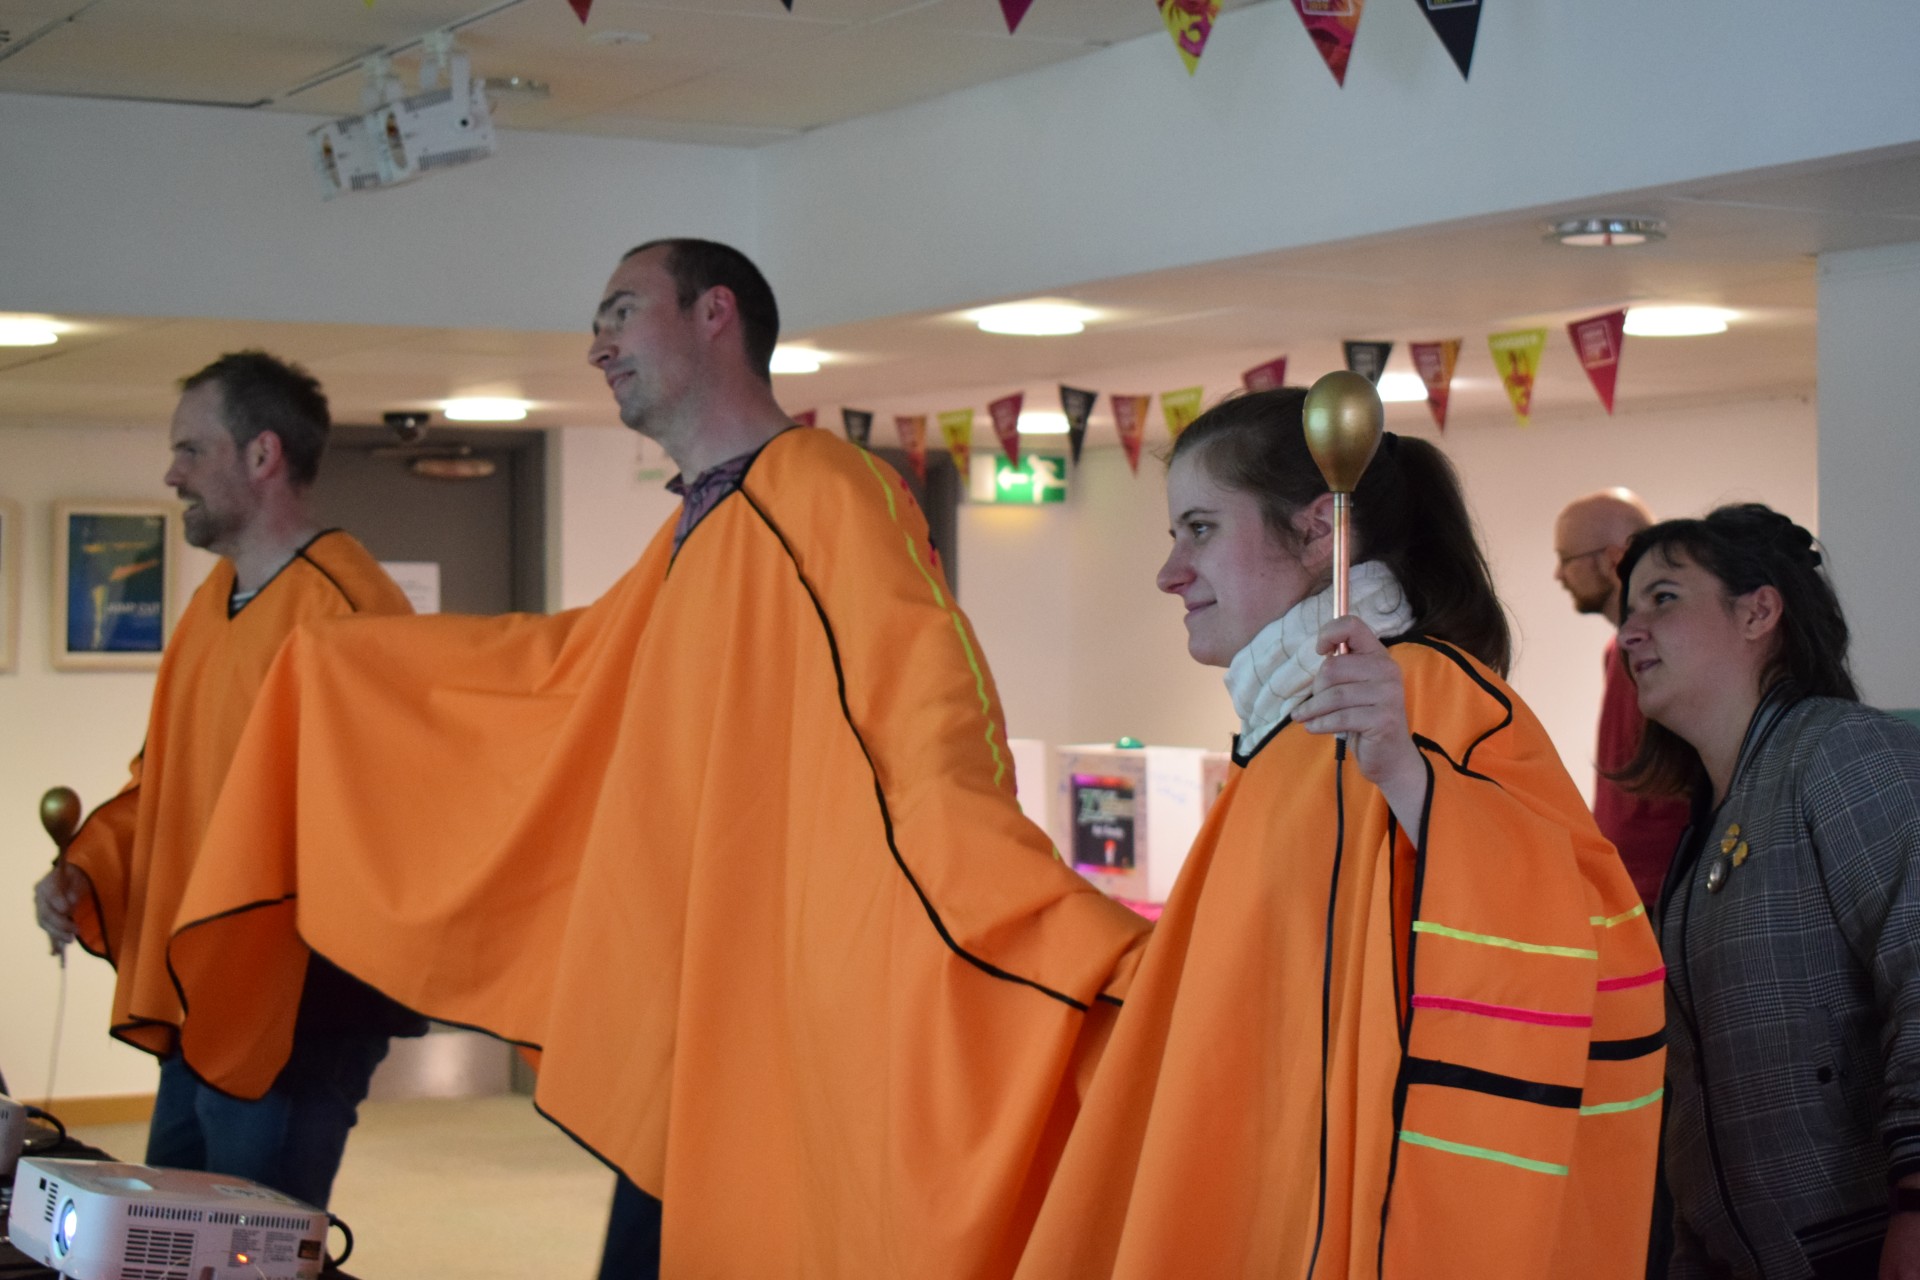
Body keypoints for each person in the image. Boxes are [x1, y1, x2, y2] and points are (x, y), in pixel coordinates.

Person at [160, 241, 1151, 1275]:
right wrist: (348, 664)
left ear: (715, 312)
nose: (597, 346)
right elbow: (567, 672)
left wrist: (1041, 926)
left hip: (790, 997)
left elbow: (930, 723)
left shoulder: (820, 487)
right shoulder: (702, 518)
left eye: (621, 313)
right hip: (705, 997)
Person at [1013, 390, 1666, 1276]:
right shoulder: (1293, 722)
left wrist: (1413, 780)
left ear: (1323, 527)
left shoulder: (1426, 695)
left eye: (1199, 528)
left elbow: (1595, 924)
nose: (1171, 571)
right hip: (1270, 1188)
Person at [30, 351, 421, 1210]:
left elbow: (387, 817)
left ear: (261, 455)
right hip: (204, 996)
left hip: (296, 1006)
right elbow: (171, 783)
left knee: (252, 1244)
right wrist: (89, 868)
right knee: (168, 1231)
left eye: (190, 450)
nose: (172, 474)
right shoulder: (215, 602)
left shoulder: (346, 610)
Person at [1616, 503, 1920, 1279]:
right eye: (1628, 610)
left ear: (1758, 612)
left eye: (1664, 598)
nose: (1629, 633)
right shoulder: (1705, 831)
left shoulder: (1845, 752)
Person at [1555, 489, 1691, 909]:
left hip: (1669, 892)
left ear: (1614, 558)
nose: (1558, 575)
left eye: (1566, 559)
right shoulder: (1617, 654)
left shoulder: (1672, 654)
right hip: (1627, 892)